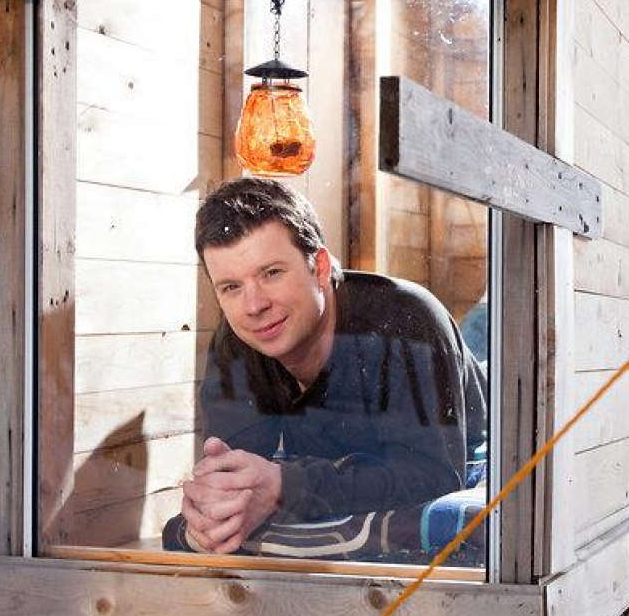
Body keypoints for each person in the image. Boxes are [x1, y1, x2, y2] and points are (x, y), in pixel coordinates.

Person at [163, 176, 487, 559]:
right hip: (358, 452)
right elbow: (237, 481)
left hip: (477, 423)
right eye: (231, 287)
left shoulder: (408, 320)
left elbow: (433, 475)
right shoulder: (237, 341)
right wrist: (215, 510)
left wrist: (285, 486)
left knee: (487, 328)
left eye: (271, 273)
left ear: (318, 267)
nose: (253, 306)